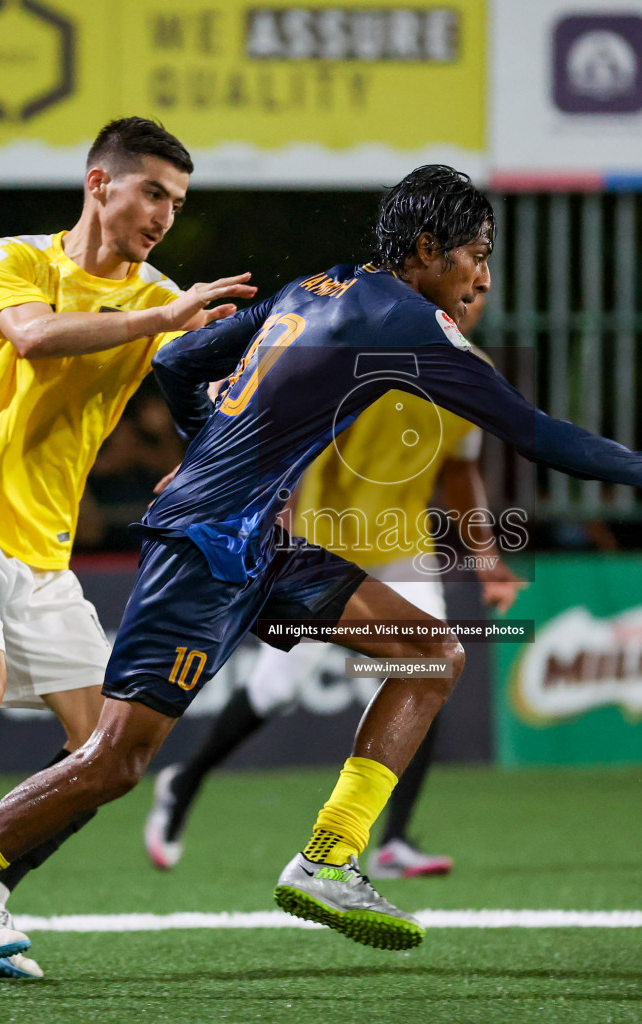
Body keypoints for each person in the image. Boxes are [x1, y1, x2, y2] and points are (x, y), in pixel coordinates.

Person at [0, 164, 642, 1000]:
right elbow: (537, 435)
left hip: (254, 536)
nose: (483, 278)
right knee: (114, 760)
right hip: (204, 548)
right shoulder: (408, 321)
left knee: (430, 653)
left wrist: (212, 454)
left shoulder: (317, 285)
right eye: (477, 255)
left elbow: (180, 364)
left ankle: (330, 858)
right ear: (426, 252)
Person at [0, 116, 256, 982]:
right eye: (152, 191)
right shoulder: (16, 258)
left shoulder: (160, 298)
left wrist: (206, 455)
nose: (164, 215)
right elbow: (35, 337)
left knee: (106, 751)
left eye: (178, 202)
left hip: (44, 547)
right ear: (99, 184)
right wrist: (161, 314)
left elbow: (201, 393)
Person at [144, 294, 523, 879]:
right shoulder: (355, 345)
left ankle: (393, 841)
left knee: (430, 666)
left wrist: (487, 558)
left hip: (403, 551)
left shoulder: (473, 373)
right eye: (463, 284)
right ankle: (184, 785)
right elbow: (283, 429)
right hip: (321, 545)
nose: (472, 300)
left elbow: (459, 469)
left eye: (480, 293)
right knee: (273, 692)